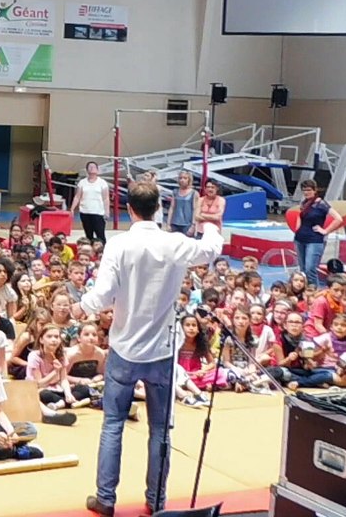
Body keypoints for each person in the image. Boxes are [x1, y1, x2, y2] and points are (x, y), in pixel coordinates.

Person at [71, 181, 223, 516]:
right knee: (160, 430)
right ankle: (156, 501)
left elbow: (104, 294)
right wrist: (210, 225)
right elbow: (211, 249)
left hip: (125, 349)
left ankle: (106, 499)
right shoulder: (174, 243)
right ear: (159, 208)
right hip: (161, 350)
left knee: (113, 425)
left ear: (128, 209)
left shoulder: (119, 244)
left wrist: (82, 306)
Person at [293, 180, 343, 286]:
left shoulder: (321, 204)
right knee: (303, 270)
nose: (306, 192)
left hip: (314, 240)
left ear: (315, 190)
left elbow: (338, 218)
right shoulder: (304, 203)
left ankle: (314, 291)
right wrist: (297, 230)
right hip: (300, 238)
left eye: (309, 190)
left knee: (310, 269)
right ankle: (305, 291)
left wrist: (325, 231)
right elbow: (300, 217)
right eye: (304, 190)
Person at [70, 162, 110, 245]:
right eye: (90, 167)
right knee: (88, 235)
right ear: (87, 170)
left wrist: (107, 211)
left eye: (94, 167)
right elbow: (77, 196)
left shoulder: (102, 183)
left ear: (97, 170)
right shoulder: (82, 182)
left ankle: (102, 250)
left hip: (98, 212)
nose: (92, 168)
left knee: (100, 235)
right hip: (85, 212)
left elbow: (106, 198)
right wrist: (72, 209)